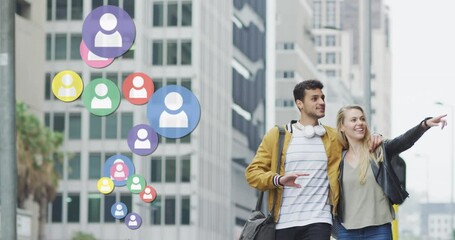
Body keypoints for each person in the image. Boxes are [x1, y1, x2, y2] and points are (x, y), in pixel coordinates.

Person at [245, 80, 382, 240]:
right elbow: (252, 174)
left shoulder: (333, 137)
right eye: (314, 98)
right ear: (300, 104)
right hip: (283, 223)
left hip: (319, 220)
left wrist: (377, 136)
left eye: (322, 98)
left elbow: (358, 140)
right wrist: (278, 179)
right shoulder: (277, 136)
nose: (321, 102)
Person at [334, 105, 447, 240]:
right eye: (353, 120)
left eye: (362, 119)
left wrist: (424, 125)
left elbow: (404, 141)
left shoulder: (379, 151)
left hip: (379, 230)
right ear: (342, 126)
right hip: (347, 231)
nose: (360, 123)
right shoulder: (337, 159)